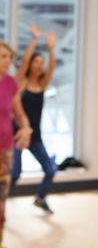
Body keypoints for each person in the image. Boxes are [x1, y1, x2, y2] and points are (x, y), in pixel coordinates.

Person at [10, 25, 57, 214]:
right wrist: (35, 40)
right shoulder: (21, 82)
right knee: (14, 174)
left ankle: (40, 198)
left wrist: (51, 48)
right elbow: (23, 64)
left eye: (42, 62)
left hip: (35, 136)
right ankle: (2, 202)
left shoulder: (42, 84)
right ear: (31, 64)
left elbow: (52, 67)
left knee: (50, 170)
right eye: (37, 61)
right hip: (17, 134)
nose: (40, 64)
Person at [0, 41, 32, 248]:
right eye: (3, 56)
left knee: (1, 201)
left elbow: (19, 115)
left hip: (4, 150)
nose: (7, 60)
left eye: (8, 56)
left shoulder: (11, 83)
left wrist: (26, 129)